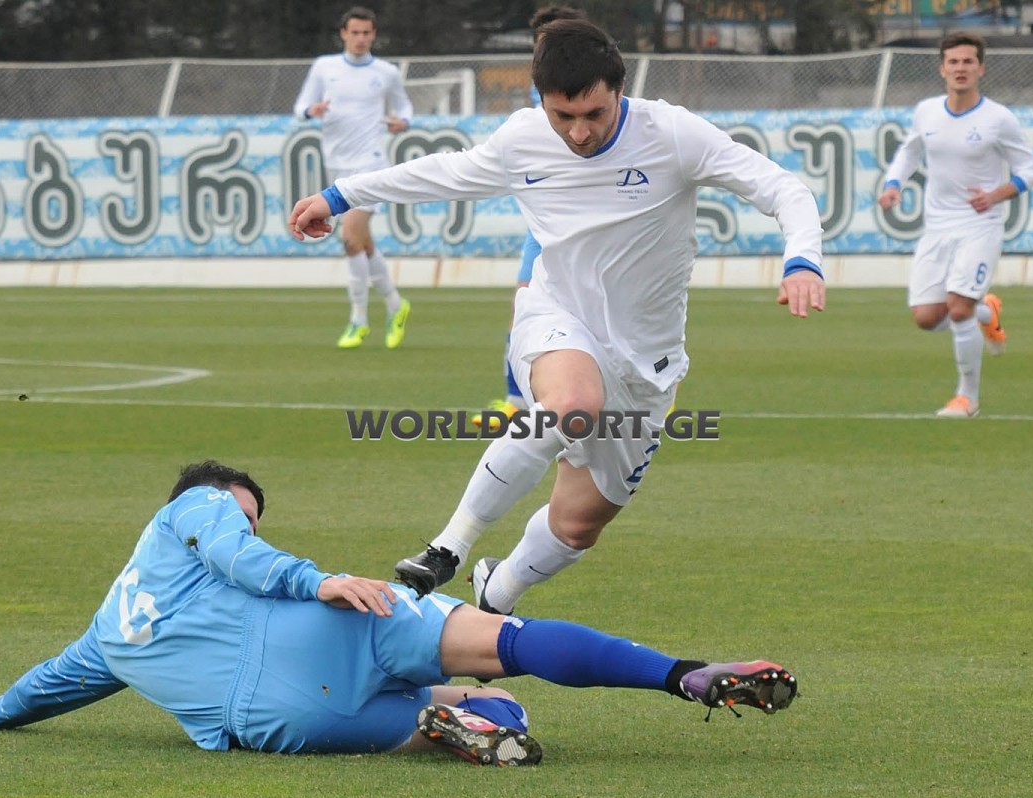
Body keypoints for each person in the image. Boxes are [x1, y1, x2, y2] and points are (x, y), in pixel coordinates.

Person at [288, 20, 825, 617]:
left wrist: (802, 260)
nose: (579, 132)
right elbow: (442, 173)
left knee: (576, 527)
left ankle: (497, 593)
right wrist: (337, 196)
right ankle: (448, 547)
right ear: (540, 100)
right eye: (562, 116)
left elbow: (783, 189)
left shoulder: (672, 133)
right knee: (572, 403)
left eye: (594, 114)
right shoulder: (522, 138)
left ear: (620, 89)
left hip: (648, 365)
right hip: (556, 315)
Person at [0, 461, 799, 766]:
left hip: (276, 717)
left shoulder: (103, 638)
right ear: (198, 500)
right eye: (240, 510)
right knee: (511, 643)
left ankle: (456, 726)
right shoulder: (194, 509)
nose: (241, 523)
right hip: (339, 619)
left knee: (476, 709)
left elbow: (48, 686)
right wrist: (313, 580)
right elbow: (239, 553)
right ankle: (682, 674)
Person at [877, 31, 1033, 418]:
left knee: (959, 308)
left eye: (968, 61)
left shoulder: (998, 118)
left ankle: (967, 398)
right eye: (953, 62)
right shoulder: (927, 111)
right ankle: (988, 312)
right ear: (942, 69)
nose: (960, 68)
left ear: (981, 68)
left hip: (980, 224)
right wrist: (893, 184)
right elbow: (909, 151)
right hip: (937, 226)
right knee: (926, 318)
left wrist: (997, 195)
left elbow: (1029, 170)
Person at [472, 5, 588, 430]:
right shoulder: (537, 95)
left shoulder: (592, 87)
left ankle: (649, 392)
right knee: (523, 300)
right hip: (543, 222)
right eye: (539, 46)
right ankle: (516, 401)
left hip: (593, 223)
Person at [293, 6, 414, 350]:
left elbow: (405, 108)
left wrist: (402, 123)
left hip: (371, 165)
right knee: (362, 242)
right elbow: (300, 108)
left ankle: (358, 319)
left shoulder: (386, 72)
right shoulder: (324, 67)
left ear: (373, 35)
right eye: (355, 32)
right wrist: (311, 110)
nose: (360, 38)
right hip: (337, 165)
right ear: (343, 34)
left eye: (366, 33)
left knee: (350, 236)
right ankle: (396, 304)